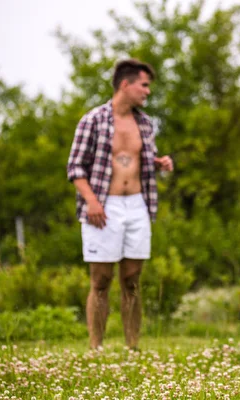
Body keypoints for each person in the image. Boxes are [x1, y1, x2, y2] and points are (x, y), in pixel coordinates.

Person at [66, 59, 173, 349]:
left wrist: (160, 162)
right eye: (144, 84)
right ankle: (96, 347)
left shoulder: (146, 123)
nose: (147, 92)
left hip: (138, 205)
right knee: (101, 280)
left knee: (132, 279)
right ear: (125, 84)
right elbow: (75, 167)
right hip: (103, 206)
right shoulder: (93, 120)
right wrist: (92, 201)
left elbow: (135, 159)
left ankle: (132, 346)